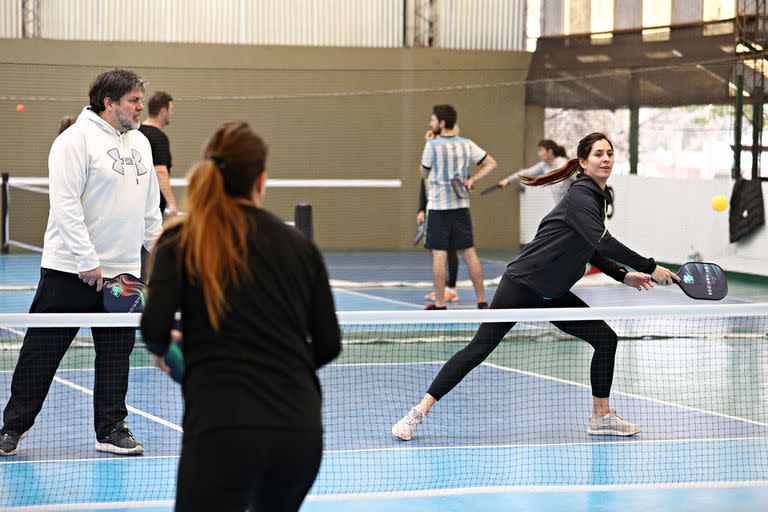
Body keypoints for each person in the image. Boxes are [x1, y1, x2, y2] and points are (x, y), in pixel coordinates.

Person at [392, 132, 680, 441]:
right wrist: (650, 266)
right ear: (583, 162)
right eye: (598, 154)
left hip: (553, 293)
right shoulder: (581, 194)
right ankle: (419, 411)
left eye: (609, 153)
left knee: (605, 339)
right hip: (522, 284)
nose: (606, 158)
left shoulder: (598, 197)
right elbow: (602, 241)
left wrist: (623, 276)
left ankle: (601, 416)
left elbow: (590, 247)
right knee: (479, 349)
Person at [140, 122, 341, 512]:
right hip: (298, 432)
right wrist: (284, 365)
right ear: (261, 180)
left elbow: (154, 330)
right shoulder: (300, 247)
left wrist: (179, 355)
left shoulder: (180, 241)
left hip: (222, 429)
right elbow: (329, 344)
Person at [0, 69, 162, 456]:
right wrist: (87, 260)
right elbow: (66, 204)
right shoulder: (74, 140)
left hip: (124, 272)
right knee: (42, 351)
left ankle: (110, 430)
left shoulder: (141, 142)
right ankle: (12, 428)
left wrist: (162, 252)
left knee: (116, 354)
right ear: (109, 102)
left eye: (140, 100)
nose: (141, 107)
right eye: (133, 101)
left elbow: (149, 207)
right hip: (70, 270)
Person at [420, 105, 497, 310]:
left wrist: (429, 143)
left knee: (439, 254)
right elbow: (490, 163)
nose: (430, 123)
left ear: (442, 123)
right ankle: (482, 301)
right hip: (461, 207)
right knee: (470, 253)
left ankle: (439, 303)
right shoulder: (467, 144)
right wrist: (471, 179)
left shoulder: (433, 146)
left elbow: (424, 174)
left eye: (433, 120)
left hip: (438, 208)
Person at [418, 125, 459, 303]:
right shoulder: (428, 164)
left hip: (451, 212)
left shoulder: (450, 161)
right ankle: (441, 290)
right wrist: (421, 209)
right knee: (438, 253)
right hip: (433, 212)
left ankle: (451, 289)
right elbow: (423, 187)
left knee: (450, 251)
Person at [139, 91, 178, 217]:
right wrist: (172, 203)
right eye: (170, 109)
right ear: (163, 111)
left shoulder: (135, 132)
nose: (171, 113)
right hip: (152, 207)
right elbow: (160, 170)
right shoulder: (159, 138)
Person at [499, 139, 572, 202]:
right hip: (562, 206)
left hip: (574, 205)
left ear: (550, 151)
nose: (538, 153)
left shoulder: (563, 163)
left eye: (541, 150)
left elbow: (578, 179)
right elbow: (526, 172)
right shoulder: (544, 165)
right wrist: (508, 180)